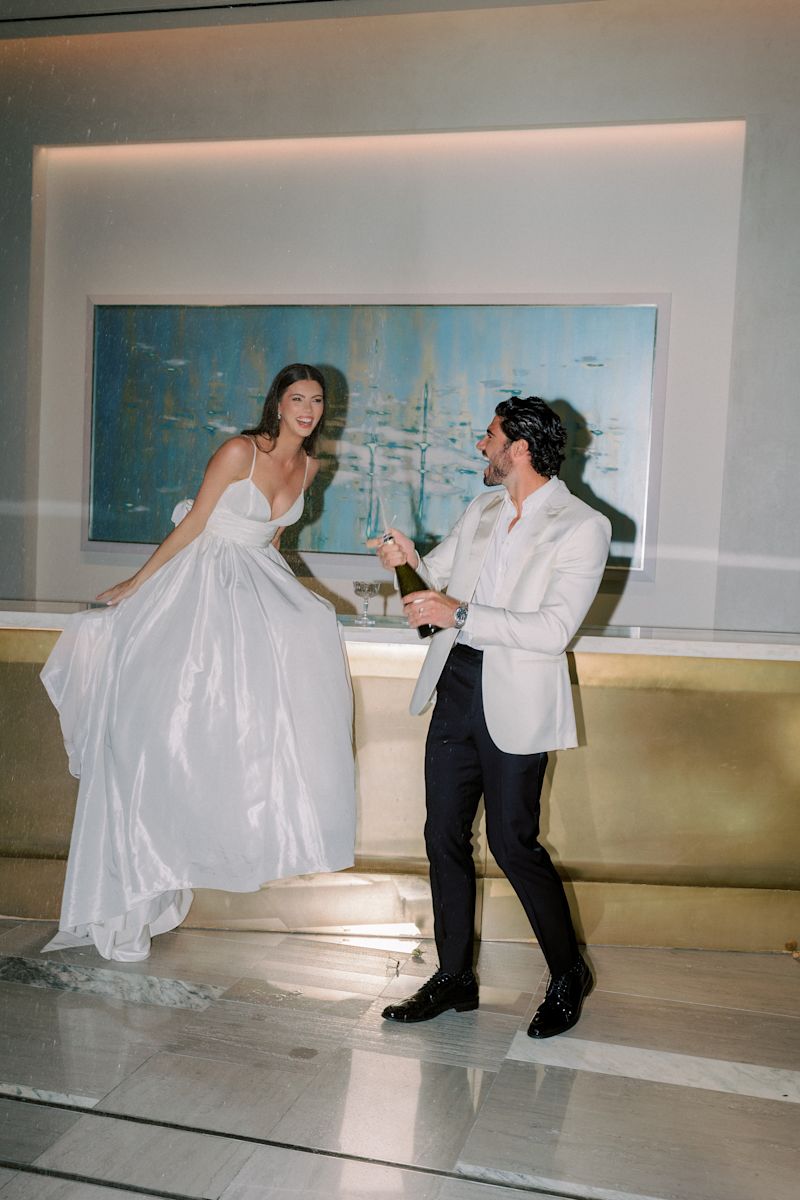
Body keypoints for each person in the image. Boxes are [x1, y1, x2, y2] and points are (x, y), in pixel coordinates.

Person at [41, 363, 356, 962]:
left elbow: (274, 542)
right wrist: (137, 582)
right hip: (199, 581)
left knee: (258, 707)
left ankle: (210, 847)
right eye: (297, 398)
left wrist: (291, 600)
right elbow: (195, 523)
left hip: (253, 582)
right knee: (161, 730)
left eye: (316, 400)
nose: (308, 409)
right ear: (278, 403)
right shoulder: (240, 450)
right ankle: (127, 887)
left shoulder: (311, 465)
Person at [373, 396, 611, 1038]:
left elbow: (555, 629)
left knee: (512, 842)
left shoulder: (581, 525)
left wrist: (461, 615)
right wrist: (406, 564)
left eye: (490, 437)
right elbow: (439, 578)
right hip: (456, 687)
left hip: (518, 700)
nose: (481, 447)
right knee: (441, 836)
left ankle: (567, 974)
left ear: (520, 448)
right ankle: (455, 977)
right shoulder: (481, 508)